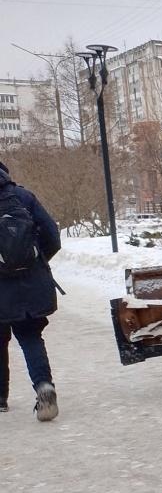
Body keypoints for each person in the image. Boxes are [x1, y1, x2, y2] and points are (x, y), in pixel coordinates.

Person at [0, 160, 61, 420]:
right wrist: (35, 262)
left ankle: (0, 398)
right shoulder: (23, 197)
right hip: (31, 284)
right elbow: (52, 236)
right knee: (30, 337)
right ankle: (44, 387)